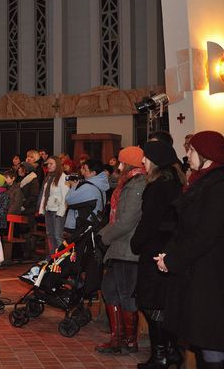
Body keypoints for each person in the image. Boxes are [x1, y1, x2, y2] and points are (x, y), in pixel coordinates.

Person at [155, 131, 224, 369]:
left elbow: (205, 235)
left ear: (206, 155)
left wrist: (173, 260)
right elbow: (184, 227)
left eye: (191, 150)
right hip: (195, 270)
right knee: (199, 339)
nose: (186, 154)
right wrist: (168, 254)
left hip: (210, 274)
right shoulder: (201, 183)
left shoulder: (222, 188)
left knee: (210, 339)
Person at [131, 141, 184, 369]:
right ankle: (171, 353)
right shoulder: (174, 182)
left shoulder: (158, 186)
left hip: (155, 251)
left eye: (146, 157)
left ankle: (160, 357)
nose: (143, 161)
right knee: (162, 303)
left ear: (155, 160)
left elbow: (149, 221)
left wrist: (136, 242)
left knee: (153, 304)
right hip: (168, 248)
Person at [95, 146, 147, 355]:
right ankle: (117, 338)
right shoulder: (129, 183)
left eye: (121, 162)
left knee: (126, 294)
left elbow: (125, 221)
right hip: (119, 246)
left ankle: (129, 341)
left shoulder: (138, 185)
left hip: (128, 248)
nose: (117, 165)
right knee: (109, 290)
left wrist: (103, 237)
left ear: (128, 164)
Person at [64, 159, 110, 233]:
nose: (83, 173)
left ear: (93, 173)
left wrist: (73, 186)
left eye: (85, 170)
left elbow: (69, 199)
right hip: (93, 223)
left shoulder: (89, 187)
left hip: (84, 226)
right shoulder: (100, 184)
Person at [37, 156, 69, 255]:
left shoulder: (63, 177)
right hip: (48, 209)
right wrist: (42, 209)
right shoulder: (49, 177)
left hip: (57, 210)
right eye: (48, 164)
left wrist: (61, 212)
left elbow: (65, 196)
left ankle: (62, 259)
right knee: (50, 235)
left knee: (57, 235)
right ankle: (53, 257)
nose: (49, 166)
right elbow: (45, 195)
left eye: (51, 164)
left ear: (57, 165)